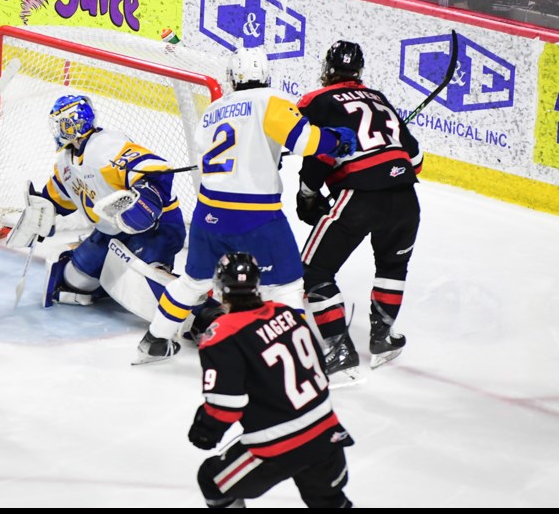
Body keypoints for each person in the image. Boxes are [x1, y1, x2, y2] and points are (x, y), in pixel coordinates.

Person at [136, 46, 357, 364]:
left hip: (207, 214)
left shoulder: (213, 110)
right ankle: (295, 357)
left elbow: (221, 153)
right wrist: (337, 139)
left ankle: (154, 340)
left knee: (194, 281)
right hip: (254, 217)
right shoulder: (270, 100)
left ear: (232, 77)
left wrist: (267, 154)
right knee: (287, 286)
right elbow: (305, 142)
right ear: (265, 75)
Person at [295, 40, 422, 383]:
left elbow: (313, 148)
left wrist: (307, 193)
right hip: (406, 198)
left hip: (359, 196)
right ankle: (382, 339)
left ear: (327, 69)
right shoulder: (381, 99)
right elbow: (416, 160)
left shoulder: (316, 100)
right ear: (359, 71)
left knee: (313, 271)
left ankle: (338, 348)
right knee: (393, 266)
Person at [189, 252, 354, 509]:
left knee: (212, 480)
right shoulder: (286, 312)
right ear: (257, 284)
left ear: (220, 288)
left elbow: (226, 404)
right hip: (326, 432)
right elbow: (318, 367)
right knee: (329, 502)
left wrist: (205, 430)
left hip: (278, 444)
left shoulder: (223, 335)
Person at [11, 94, 186, 311]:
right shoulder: (65, 162)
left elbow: (159, 170)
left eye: (62, 123)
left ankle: (201, 307)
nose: (58, 130)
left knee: (142, 285)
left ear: (76, 124)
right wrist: (41, 212)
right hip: (111, 230)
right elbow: (58, 198)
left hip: (156, 228)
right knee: (77, 280)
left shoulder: (106, 148)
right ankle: (111, 281)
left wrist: (143, 204)